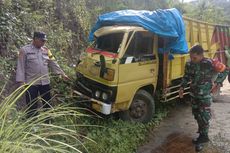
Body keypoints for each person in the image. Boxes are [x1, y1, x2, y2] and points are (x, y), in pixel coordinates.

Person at [178, 44, 229, 152]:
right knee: (197, 115)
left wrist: (217, 82)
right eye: (191, 57)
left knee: (204, 116)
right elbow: (186, 76)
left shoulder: (210, 63)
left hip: (204, 96)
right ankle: (201, 133)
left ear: (201, 55)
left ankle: (204, 138)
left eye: (194, 58)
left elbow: (225, 70)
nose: (192, 59)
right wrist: (182, 87)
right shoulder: (189, 64)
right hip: (194, 94)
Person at [16, 31, 69, 119]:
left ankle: (48, 120)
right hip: (31, 83)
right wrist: (21, 81)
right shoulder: (25, 50)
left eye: (44, 41)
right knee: (32, 104)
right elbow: (20, 66)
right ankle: (32, 121)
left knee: (47, 102)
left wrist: (62, 73)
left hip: (45, 82)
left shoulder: (46, 50)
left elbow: (53, 63)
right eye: (42, 40)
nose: (44, 42)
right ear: (35, 39)